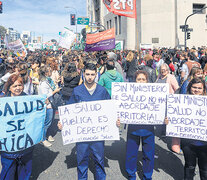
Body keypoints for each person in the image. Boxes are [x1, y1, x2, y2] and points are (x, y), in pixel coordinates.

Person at [58, 63, 112, 180]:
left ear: (96, 75)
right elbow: (70, 111)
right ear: (83, 75)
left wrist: (115, 121)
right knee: (82, 161)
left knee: (99, 160)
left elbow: (110, 111)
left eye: (92, 74)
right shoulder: (77, 91)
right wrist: (63, 123)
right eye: (87, 74)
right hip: (82, 135)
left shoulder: (102, 91)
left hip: (97, 134)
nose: (90, 77)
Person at [165, 78, 207, 180]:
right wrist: (168, 121)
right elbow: (174, 118)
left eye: (199, 88)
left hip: (204, 143)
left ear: (203, 90)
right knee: (189, 166)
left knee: (204, 169)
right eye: (194, 87)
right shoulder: (181, 102)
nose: (196, 90)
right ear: (190, 87)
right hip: (188, 143)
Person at [0, 74, 34, 180]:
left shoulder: (29, 100)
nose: (18, 88)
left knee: (24, 170)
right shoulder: (2, 102)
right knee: (8, 171)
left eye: (20, 85)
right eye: (14, 86)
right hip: (9, 146)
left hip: (25, 143)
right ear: (9, 87)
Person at [125, 70, 155, 180]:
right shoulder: (128, 93)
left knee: (149, 155)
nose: (141, 82)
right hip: (133, 128)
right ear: (135, 81)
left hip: (148, 129)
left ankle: (147, 176)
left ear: (147, 81)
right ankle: (131, 175)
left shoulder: (154, 93)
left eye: (143, 79)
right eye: (139, 79)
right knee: (131, 154)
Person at [38, 65, 61, 147]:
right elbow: (45, 95)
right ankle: (43, 139)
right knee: (47, 122)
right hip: (48, 104)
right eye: (49, 70)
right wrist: (55, 91)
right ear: (45, 72)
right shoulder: (43, 83)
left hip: (51, 103)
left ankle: (48, 134)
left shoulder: (47, 80)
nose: (51, 72)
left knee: (50, 121)